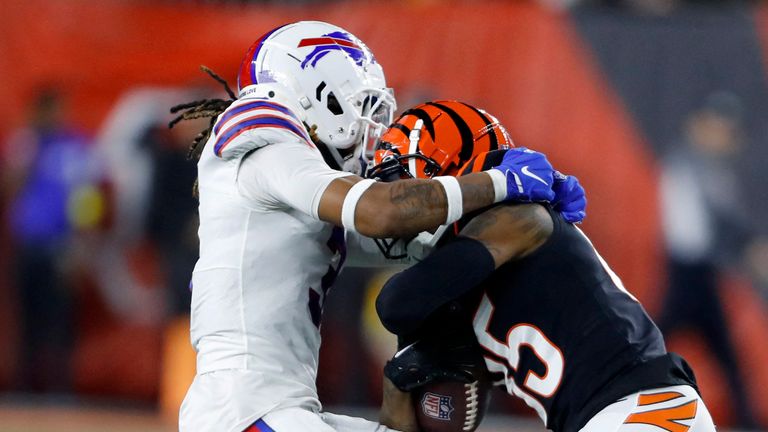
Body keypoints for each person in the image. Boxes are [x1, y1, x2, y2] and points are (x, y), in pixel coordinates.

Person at [169, 22, 580, 432]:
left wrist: (515, 222)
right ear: (317, 92)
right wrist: (501, 181)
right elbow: (379, 213)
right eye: (362, 105)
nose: (373, 127)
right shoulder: (262, 140)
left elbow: (408, 239)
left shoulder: (290, 202)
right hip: (244, 412)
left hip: (275, 410)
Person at [371, 101, 716, 432]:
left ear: (450, 170)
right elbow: (449, 402)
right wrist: (401, 378)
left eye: (404, 184)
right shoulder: (461, 277)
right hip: (611, 416)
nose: (402, 204)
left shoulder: (519, 219)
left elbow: (398, 302)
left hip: (645, 407)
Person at [658, 91, 758, 427]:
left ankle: (746, 418)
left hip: (698, 272)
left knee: (722, 352)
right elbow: (723, 215)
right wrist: (750, 245)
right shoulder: (691, 163)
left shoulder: (708, 166)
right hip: (686, 273)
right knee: (652, 342)